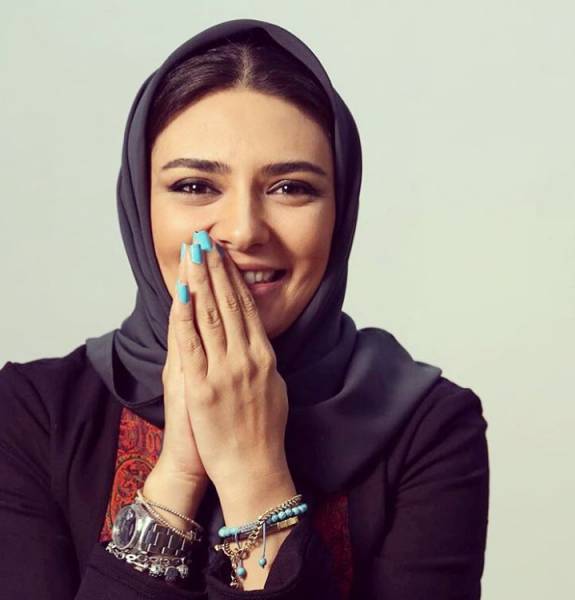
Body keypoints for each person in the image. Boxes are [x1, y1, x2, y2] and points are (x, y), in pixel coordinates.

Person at [0, 18, 489, 600]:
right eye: (195, 186)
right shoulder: (31, 414)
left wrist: (253, 475)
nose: (244, 230)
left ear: (341, 212)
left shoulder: (428, 427)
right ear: (139, 204)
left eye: (290, 188)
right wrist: (178, 475)